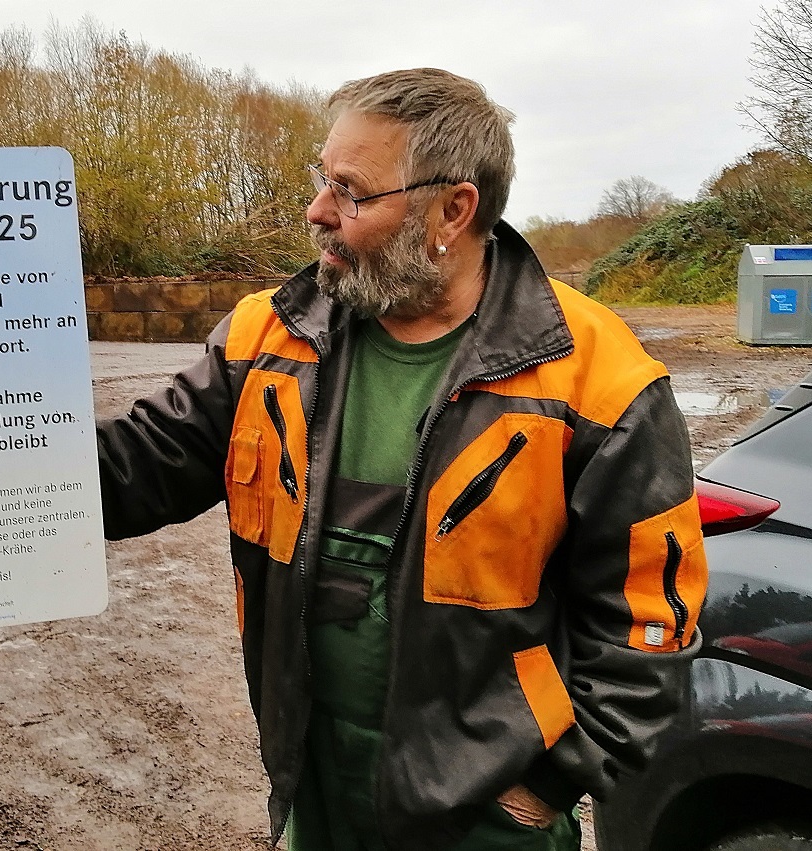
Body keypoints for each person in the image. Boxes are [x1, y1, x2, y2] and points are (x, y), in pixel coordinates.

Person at [96, 68, 707, 850]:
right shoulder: (268, 339)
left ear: (452, 209)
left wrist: (549, 783)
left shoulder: (598, 378)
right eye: (322, 180)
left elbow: (650, 621)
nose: (319, 211)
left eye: (350, 191)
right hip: (314, 787)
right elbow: (142, 463)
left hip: (486, 816)